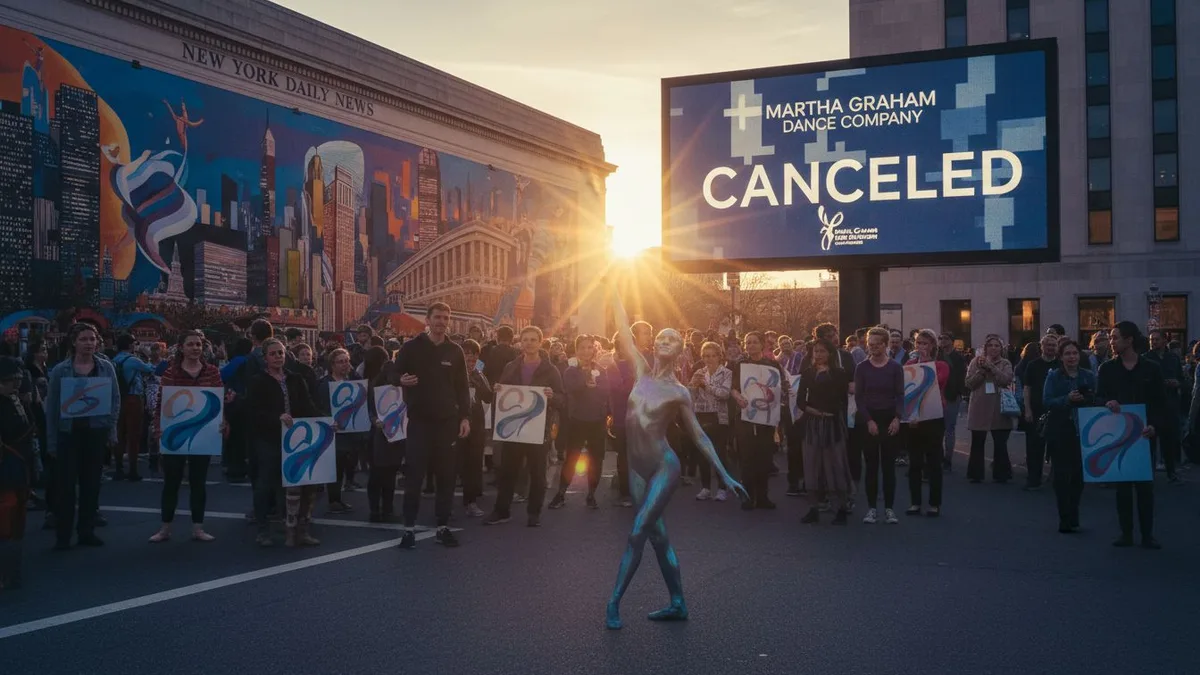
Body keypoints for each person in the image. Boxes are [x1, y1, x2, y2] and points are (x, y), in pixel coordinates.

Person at [604, 292, 747, 630]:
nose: (665, 341)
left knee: (637, 532)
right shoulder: (639, 370)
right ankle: (678, 603)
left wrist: (724, 474)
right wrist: (613, 289)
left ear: (681, 348)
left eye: (673, 338)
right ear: (653, 346)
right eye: (660, 338)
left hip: (663, 467)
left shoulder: (679, 392)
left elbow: (698, 435)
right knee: (659, 538)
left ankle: (613, 602)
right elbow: (623, 328)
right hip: (636, 468)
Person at [393, 303, 471, 549]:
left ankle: (442, 527)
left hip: (447, 423)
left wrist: (465, 417)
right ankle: (408, 529)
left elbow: (462, 388)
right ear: (427, 319)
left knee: (446, 477)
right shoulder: (411, 347)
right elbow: (392, 374)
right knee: (414, 476)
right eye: (437, 317)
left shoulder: (455, 350)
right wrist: (400, 379)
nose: (441, 321)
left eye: (445, 317)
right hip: (419, 423)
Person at [45, 323, 121, 549]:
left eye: (92, 339)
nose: (89, 343)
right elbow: (52, 409)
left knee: (91, 485)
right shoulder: (61, 370)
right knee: (66, 487)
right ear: (74, 342)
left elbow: (114, 400)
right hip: (68, 433)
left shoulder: (106, 367)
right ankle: (63, 535)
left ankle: (86, 531)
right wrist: (51, 441)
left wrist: (111, 429)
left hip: (96, 432)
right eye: (84, 339)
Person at [148, 330, 225, 543]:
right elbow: (160, 406)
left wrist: (222, 424)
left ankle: (198, 528)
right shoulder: (171, 373)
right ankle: (165, 528)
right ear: (181, 347)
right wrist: (158, 428)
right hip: (175, 434)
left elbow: (219, 403)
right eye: (190, 344)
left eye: (198, 344)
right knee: (171, 481)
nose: (195, 348)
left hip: (203, 435)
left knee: (198, 482)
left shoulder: (212, 372)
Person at [485, 325, 563, 526]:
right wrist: (498, 389)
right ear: (520, 343)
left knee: (537, 473)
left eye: (533, 340)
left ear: (540, 342)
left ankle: (534, 513)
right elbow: (501, 394)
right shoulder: (511, 366)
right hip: (514, 428)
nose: (529, 343)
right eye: (525, 339)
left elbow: (563, 399)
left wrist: (552, 396)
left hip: (538, 429)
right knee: (508, 471)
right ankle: (502, 510)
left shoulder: (550, 369)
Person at [246, 338, 320, 548]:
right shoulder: (257, 381)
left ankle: (294, 528)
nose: (278, 357)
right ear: (265, 358)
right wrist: (276, 417)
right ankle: (262, 529)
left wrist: (327, 421)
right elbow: (253, 411)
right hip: (267, 438)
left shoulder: (296, 378)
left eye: (281, 353)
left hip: (294, 439)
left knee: (295, 484)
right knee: (266, 484)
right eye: (273, 353)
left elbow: (308, 406)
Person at [1097, 322, 1164, 549]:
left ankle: (1148, 535)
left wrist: (1154, 426)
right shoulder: (1107, 369)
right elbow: (1098, 399)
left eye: (1115, 338)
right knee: (1123, 489)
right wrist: (1107, 402)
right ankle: (1126, 533)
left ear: (1129, 340)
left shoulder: (1151, 369)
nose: (1111, 342)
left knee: (1145, 488)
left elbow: (1160, 403)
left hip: (1144, 436)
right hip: (1117, 435)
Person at [796, 338, 853, 525]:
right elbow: (800, 402)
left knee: (835, 466)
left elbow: (843, 400)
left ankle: (841, 508)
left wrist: (830, 414)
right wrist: (816, 412)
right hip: (812, 424)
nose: (819, 354)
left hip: (833, 425)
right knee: (811, 466)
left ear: (829, 354)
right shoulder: (807, 373)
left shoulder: (839, 374)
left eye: (822, 351)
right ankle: (813, 508)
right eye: (816, 351)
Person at [1041, 340, 1096, 533]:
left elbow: (1097, 398)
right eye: (1067, 354)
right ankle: (1064, 517)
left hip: (1083, 430)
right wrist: (1067, 399)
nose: (1072, 357)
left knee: (1079, 477)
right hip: (1061, 430)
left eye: (1074, 353)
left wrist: (1086, 398)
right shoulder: (1054, 376)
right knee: (1062, 476)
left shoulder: (1088, 376)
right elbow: (1047, 401)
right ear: (1061, 357)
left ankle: (1074, 513)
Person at [549, 334, 608, 510]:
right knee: (571, 459)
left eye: (589, 347)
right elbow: (570, 388)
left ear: (594, 349)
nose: (586, 351)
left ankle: (591, 494)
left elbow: (606, 392)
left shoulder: (601, 370)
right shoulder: (571, 370)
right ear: (576, 350)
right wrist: (585, 383)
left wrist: (597, 389)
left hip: (597, 420)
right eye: (582, 347)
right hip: (577, 420)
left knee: (596, 459)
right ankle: (561, 494)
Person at [854, 327, 904, 525]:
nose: (873, 348)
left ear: (885, 345)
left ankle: (890, 509)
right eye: (870, 344)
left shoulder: (895, 368)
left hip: (890, 418)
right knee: (872, 466)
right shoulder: (862, 368)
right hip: (869, 420)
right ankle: (872, 508)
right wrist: (869, 421)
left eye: (877, 345)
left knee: (889, 467)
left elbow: (900, 395)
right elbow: (859, 398)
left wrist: (897, 418)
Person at [0, 357, 37, 590]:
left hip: (18, 466)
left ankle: (11, 573)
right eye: (11, 380)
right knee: (5, 520)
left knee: (16, 522)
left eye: (18, 380)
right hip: (5, 468)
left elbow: (31, 426)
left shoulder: (17, 401)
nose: (16, 384)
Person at [905, 329, 949, 516]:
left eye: (925, 344)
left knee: (934, 461)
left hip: (933, 416)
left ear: (932, 346)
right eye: (918, 343)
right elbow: (906, 386)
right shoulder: (909, 363)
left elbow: (936, 381)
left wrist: (923, 364)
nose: (921, 347)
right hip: (915, 416)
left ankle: (934, 503)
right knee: (914, 462)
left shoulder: (940, 365)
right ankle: (915, 502)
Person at [686, 341, 733, 501]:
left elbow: (724, 394)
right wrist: (692, 386)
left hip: (719, 417)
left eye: (713, 355)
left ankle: (722, 487)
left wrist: (706, 386)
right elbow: (691, 397)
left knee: (720, 453)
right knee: (703, 453)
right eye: (706, 356)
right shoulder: (699, 372)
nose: (709, 359)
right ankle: (706, 487)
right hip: (701, 415)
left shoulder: (726, 373)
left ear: (719, 356)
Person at [965, 335, 1015, 484]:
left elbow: (1006, 380)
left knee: (1000, 442)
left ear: (1001, 348)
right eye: (991, 345)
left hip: (998, 406)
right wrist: (981, 371)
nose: (994, 348)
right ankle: (975, 474)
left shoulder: (1005, 363)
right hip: (979, 405)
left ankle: (1001, 473)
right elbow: (968, 384)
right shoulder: (975, 362)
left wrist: (992, 368)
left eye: (997, 346)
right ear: (985, 348)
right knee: (978, 442)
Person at [1143, 329, 1184, 484]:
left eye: (1156, 339)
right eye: (1151, 340)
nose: (1153, 342)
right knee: (1150, 441)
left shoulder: (1173, 358)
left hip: (1170, 405)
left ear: (1164, 341)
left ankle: (1171, 471)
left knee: (1169, 440)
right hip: (1152, 405)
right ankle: (1149, 473)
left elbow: (1182, 379)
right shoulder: (1145, 359)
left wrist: (1177, 383)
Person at [1022, 334, 1060, 491]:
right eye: (1048, 344)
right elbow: (1027, 388)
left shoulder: (1061, 365)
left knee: (1057, 447)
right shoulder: (1033, 365)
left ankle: (1057, 480)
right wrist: (1028, 409)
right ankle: (1033, 479)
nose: (1051, 347)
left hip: (1056, 410)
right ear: (1042, 346)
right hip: (1036, 410)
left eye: (1053, 345)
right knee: (1034, 448)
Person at [112, 334, 153, 481]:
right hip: (133, 399)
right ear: (130, 345)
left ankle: (118, 468)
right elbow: (151, 369)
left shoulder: (114, 360)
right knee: (133, 434)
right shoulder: (133, 360)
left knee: (119, 433)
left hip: (118, 398)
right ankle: (133, 470)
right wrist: (147, 355)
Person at [460, 340, 492, 517]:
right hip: (457, 421)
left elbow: (488, 397)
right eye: (467, 353)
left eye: (474, 354)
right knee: (456, 463)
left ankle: (471, 500)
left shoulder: (480, 374)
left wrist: (479, 381)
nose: (470, 357)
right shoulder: (453, 373)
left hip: (477, 422)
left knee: (474, 462)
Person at [937, 332, 967, 471]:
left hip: (952, 396)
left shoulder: (958, 358)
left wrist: (959, 393)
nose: (942, 341)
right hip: (936, 396)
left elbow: (961, 377)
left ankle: (948, 459)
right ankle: (939, 457)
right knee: (937, 430)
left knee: (949, 428)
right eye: (941, 338)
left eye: (945, 339)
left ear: (952, 341)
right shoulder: (937, 355)